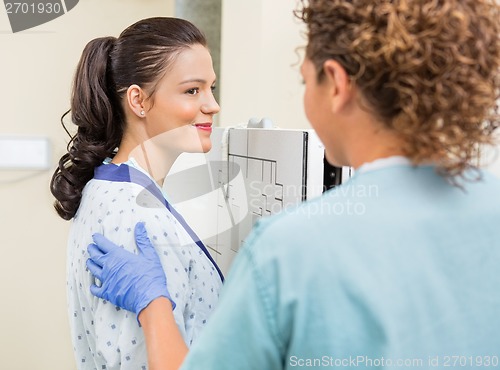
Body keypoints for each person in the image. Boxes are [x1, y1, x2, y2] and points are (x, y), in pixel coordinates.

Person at [87, 1, 500, 369]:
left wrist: (154, 304)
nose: (212, 104)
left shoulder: (288, 250)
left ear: (336, 84)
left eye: (306, 81)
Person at [50, 17, 224, 370]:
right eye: (193, 90)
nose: (212, 105)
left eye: (212, 89)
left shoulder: (108, 185)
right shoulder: (139, 218)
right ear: (139, 100)